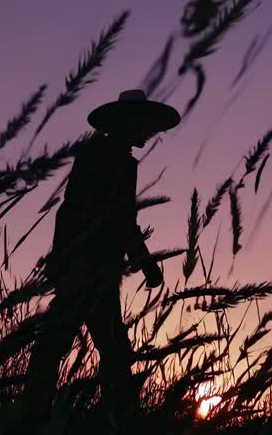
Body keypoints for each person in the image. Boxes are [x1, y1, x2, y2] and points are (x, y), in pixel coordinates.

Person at [23, 89, 179, 429]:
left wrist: (142, 261)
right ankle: (38, 415)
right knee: (72, 343)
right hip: (87, 268)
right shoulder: (105, 156)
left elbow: (120, 218)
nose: (150, 132)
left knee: (106, 348)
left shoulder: (115, 157)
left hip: (98, 269)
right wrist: (73, 261)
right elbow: (87, 211)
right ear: (130, 122)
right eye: (146, 124)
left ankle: (113, 416)